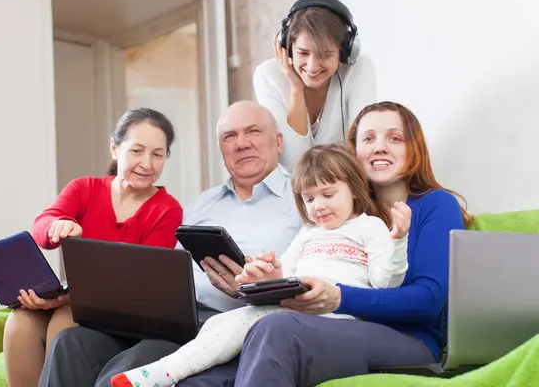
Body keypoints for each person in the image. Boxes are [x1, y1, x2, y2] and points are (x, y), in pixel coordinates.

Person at [174, 101, 471, 387]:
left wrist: (340, 297)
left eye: (395, 138)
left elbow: (430, 300)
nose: (380, 146)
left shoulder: (435, 204)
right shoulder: (337, 210)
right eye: (368, 138)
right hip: (334, 326)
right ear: (354, 151)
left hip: (409, 340)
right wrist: (268, 282)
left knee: (277, 331)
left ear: (413, 147)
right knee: (207, 373)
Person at [37, 101, 304, 387]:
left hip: (229, 325)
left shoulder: (304, 199)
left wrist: (258, 288)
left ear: (278, 141)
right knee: (70, 344)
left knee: (121, 375)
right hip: (171, 318)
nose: (241, 144)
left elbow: (320, 268)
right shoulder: (199, 205)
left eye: (253, 132)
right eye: (229, 136)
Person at [111, 144, 413, 387]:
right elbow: (286, 272)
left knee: (246, 323)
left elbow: (387, 283)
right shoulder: (309, 233)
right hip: (296, 310)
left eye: (328, 194)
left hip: (338, 319)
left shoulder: (369, 227)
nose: (318, 206)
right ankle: (165, 373)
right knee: (220, 322)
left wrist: (397, 240)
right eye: (308, 199)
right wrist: (268, 273)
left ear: (355, 190)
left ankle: (162, 374)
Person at [3, 108, 183, 387]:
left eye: (157, 154)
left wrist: (67, 299)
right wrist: (57, 226)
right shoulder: (84, 188)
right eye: (136, 151)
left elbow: (138, 281)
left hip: (116, 311)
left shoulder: (167, 210)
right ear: (115, 148)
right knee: (19, 324)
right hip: (71, 295)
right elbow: (42, 226)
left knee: (65, 323)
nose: (146, 163)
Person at [253, 0, 377, 171]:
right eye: (303, 53)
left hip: (348, 189)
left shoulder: (358, 68)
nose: (312, 66)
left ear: (345, 51)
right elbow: (295, 163)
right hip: (296, 194)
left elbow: (362, 150)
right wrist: (296, 88)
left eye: (325, 55)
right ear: (287, 47)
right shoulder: (268, 75)